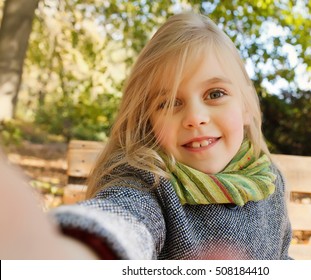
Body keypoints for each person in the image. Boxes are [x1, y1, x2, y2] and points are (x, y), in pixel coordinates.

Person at [0, 12, 292, 260]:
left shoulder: (268, 181)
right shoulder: (149, 181)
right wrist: (70, 250)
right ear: (148, 121)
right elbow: (124, 218)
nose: (194, 117)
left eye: (215, 94)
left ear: (246, 108)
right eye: (168, 103)